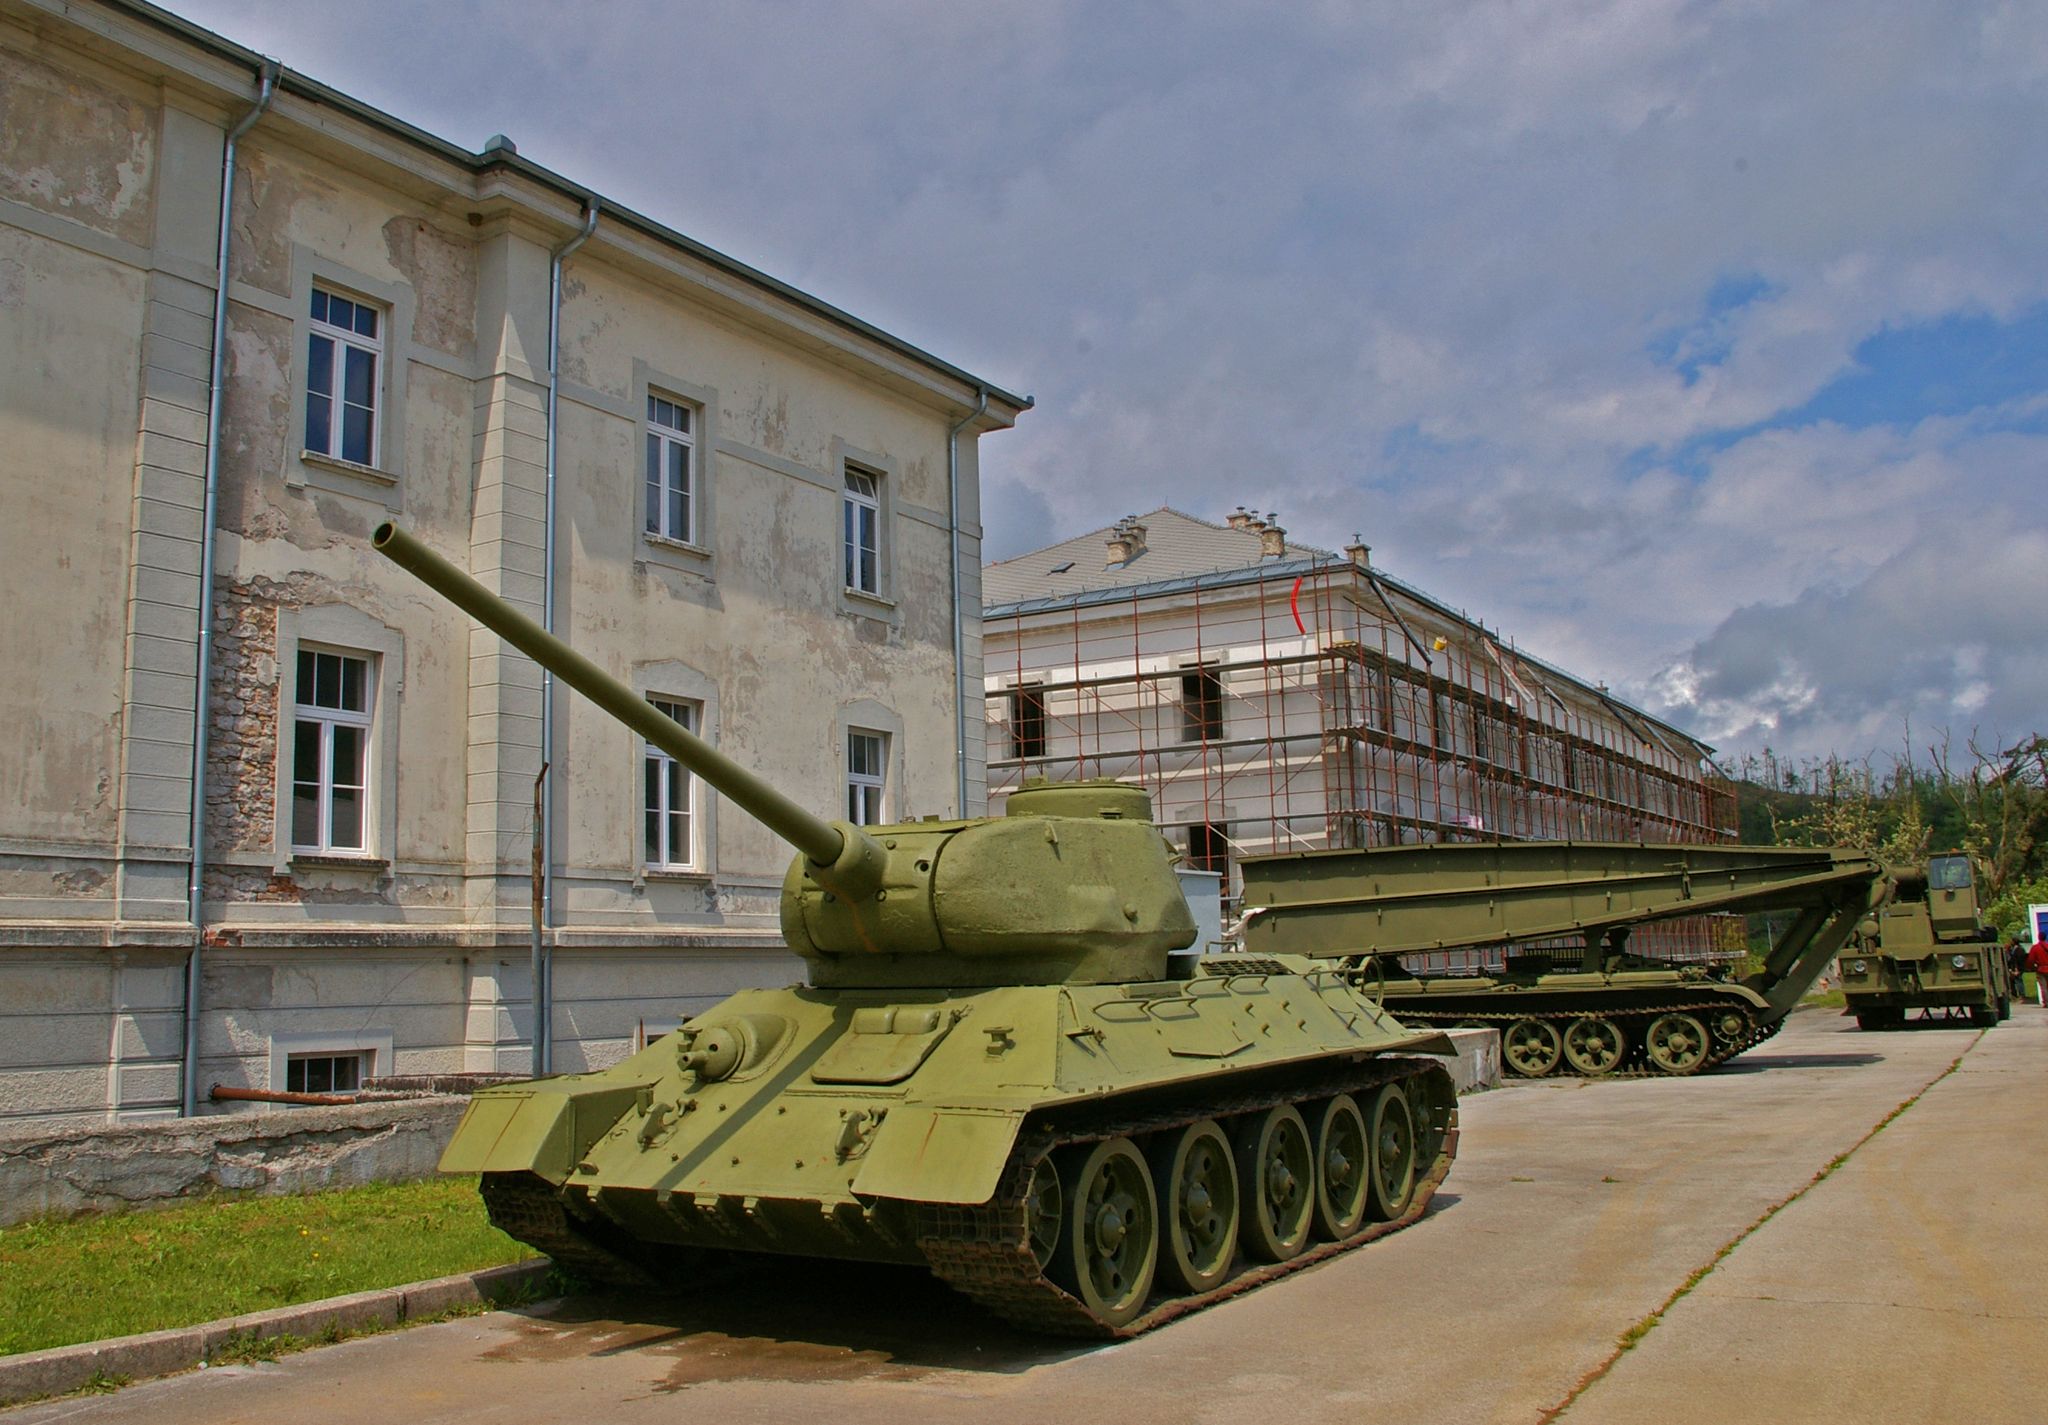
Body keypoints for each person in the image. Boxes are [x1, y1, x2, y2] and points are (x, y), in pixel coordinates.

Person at [2029, 936, 2048, 1008]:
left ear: (2038, 937)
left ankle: (2046, 1002)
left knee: (2043, 987)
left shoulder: (2035, 948)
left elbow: (2031, 959)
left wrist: (2032, 967)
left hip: (2041, 969)